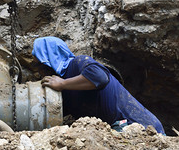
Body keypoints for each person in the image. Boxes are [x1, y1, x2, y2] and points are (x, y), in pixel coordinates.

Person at [31, 36, 165, 134]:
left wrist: (63, 83)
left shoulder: (78, 63)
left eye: (39, 64)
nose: (39, 71)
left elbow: (100, 78)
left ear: (49, 59)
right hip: (119, 131)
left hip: (142, 127)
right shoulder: (64, 93)